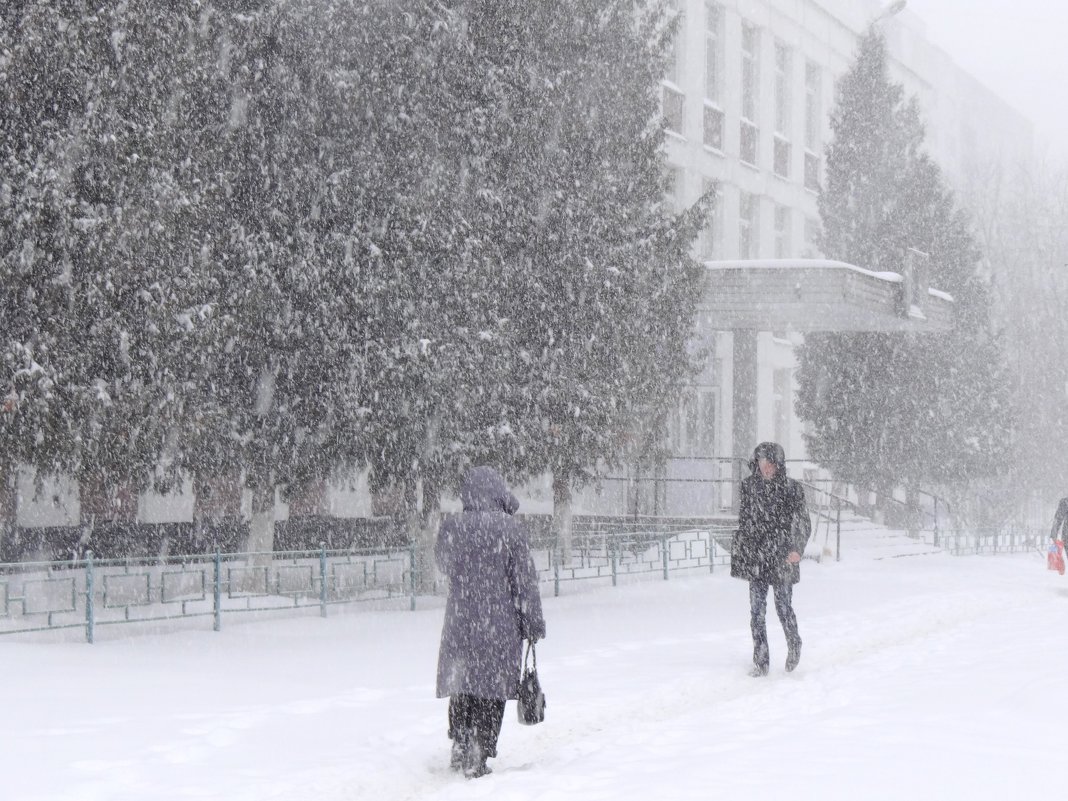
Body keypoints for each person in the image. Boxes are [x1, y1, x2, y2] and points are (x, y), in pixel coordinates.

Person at [435, 466, 546, 778]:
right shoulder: (510, 529)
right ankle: (481, 751)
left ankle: (460, 743)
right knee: (491, 689)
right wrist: (533, 624)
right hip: (499, 627)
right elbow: (525, 583)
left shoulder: (452, 527)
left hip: (460, 625)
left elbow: (443, 563)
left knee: (463, 685)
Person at [731, 441, 812, 676]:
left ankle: (794, 643)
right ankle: (761, 661)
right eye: (762, 463)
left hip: (783, 556)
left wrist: (797, 548)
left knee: (783, 607)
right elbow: (745, 522)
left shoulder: (791, 489)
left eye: (770, 463)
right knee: (757, 612)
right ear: (756, 464)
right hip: (757, 558)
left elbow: (803, 522)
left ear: (779, 465)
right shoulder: (748, 487)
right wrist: (742, 551)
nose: (766, 468)